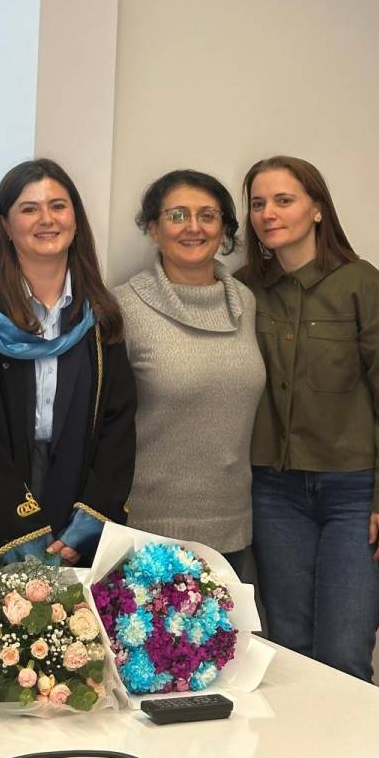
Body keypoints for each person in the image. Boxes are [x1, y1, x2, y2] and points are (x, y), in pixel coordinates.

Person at [236, 156, 379, 681]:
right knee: (288, 651)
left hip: (355, 495)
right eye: (258, 203)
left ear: (317, 209)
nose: (268, 213)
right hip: (274, 493)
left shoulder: (363, 285)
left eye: (284, 200)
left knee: (343, 654)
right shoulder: (244, 290)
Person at [0, 158, 136, 576]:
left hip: (75, 488)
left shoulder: (99, 312)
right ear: (5, 225)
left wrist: (85, 525)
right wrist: (20, 531)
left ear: (75, 219)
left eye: (58, 206)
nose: (47, 219)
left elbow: (118, 421)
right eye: (29, 209)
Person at [113, 170, 265, 574]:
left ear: (224, 229)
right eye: (177, 215)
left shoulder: (246, 303)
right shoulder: (123, 307)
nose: (193, 227)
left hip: (233, 526)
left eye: (207, 215)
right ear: (153, 229)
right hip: (146, 533)